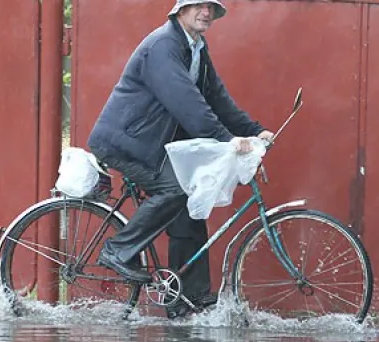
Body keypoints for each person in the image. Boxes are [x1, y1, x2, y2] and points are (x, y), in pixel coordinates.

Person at [87, 0, 274, 318]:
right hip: (126, 142)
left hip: (152, 144)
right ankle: (118, 251)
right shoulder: (163, 46)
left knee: (192, 203)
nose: (207, 13)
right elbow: (187, 104)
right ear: (180, 10)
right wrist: (229, 140)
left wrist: (255, 130)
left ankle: (189, 298)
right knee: (175, 189)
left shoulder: (196, 48)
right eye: (199, 6)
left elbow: (217, 98)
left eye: (212, 8)